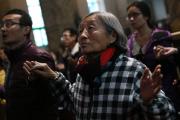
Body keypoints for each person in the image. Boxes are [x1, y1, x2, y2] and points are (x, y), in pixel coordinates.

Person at [23, 11, 175, 119]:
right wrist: (53, 76)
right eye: (81, 30)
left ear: (112, 35)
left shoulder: (133, 69)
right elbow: (75, 101)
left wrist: (148, 101)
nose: (82, 36)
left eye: (90, 28)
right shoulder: (85, 69)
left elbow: (168, 114)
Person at [0, 9, 58, 120]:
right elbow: (17, 94)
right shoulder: (14, 57)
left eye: (9, 24)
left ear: (26, 29)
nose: (3, 29)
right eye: (2, 25)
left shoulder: (38, 56)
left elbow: (47, 100)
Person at [127, 1, 180, 116]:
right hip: (142, 91)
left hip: (165, 86)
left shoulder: (161, 35)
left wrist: (162, 58)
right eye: (129, 16)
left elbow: (173, 63)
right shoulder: (130, 41)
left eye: (135, 15)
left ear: (146, 16)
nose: (131, 19)